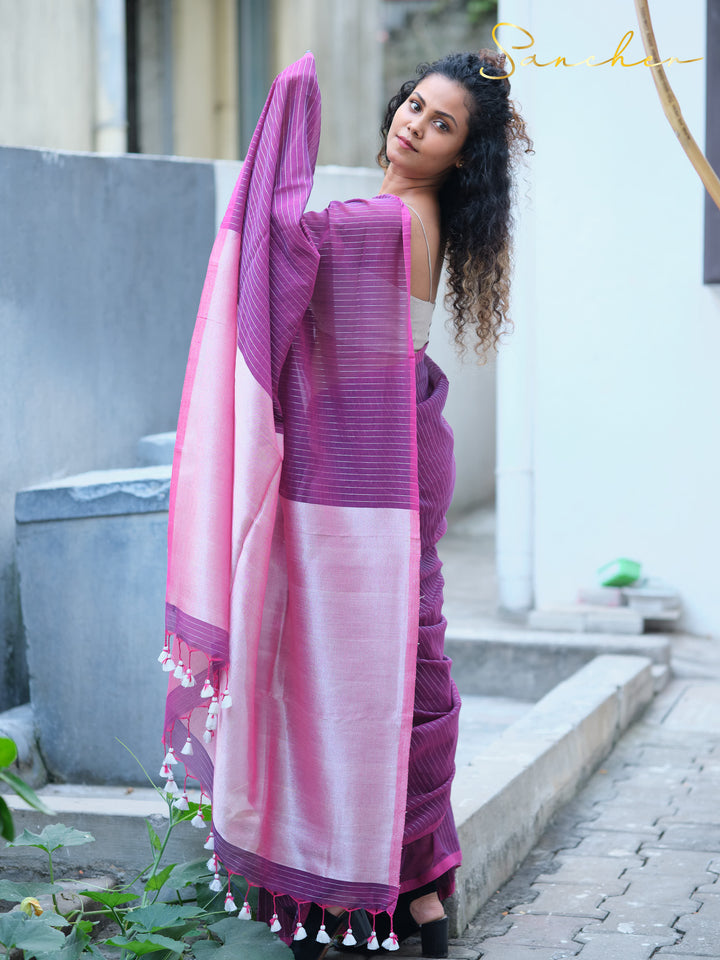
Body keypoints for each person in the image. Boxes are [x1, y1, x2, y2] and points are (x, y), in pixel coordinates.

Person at [160, 47, 531, 960]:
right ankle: (418, 898)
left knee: (353, 669)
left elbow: (283, 245)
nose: (413, 122)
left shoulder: (389, 222)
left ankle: (345, 894)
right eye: (415, 104)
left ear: (459, 158)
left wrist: (287, 108)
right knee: (399, 669)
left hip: (372, 474)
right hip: (393, 456)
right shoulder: (408, 214)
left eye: (440, 124)